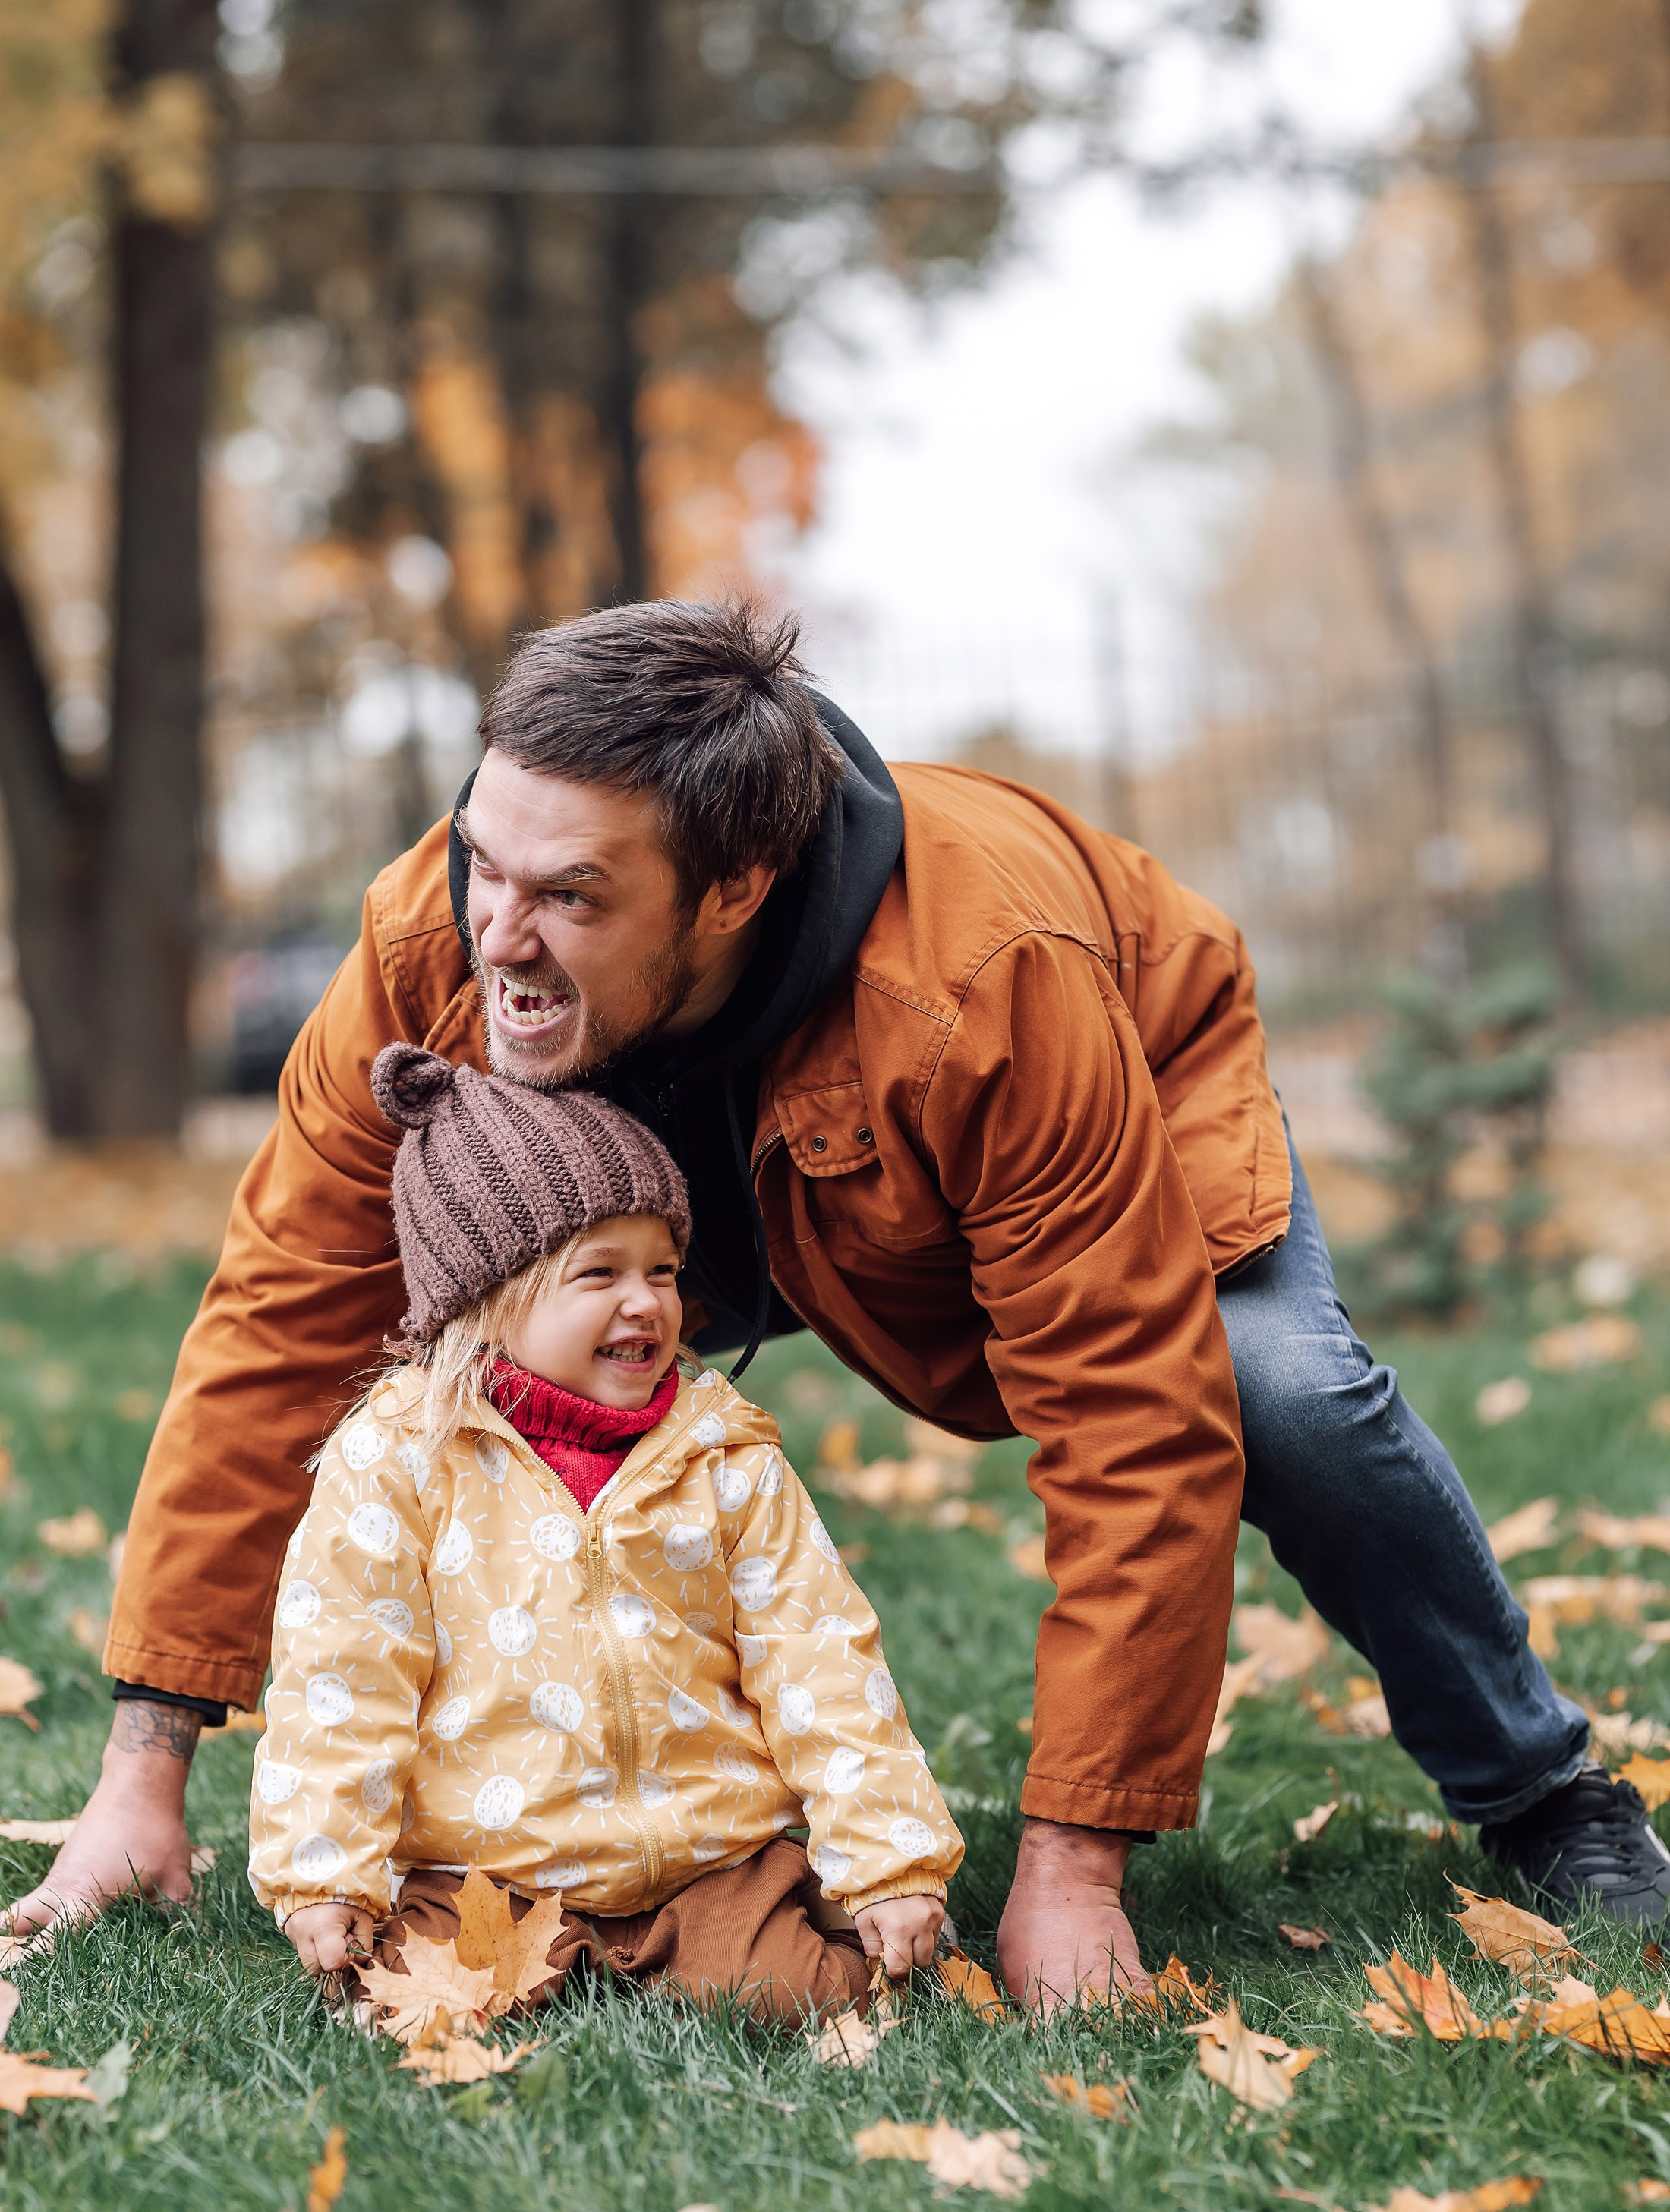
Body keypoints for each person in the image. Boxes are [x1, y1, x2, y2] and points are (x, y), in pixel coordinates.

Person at [8, 599, 1665, 2002]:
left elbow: (1125, 1419)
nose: (498, 931)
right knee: (418, 1382)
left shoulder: (986, 979)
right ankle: (567, 1785)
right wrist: (141, 1774)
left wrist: (1076, 1865)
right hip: (669, 1202)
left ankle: (1538, 1786)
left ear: (731, 887)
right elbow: (281, 1317)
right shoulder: (436, 936)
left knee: (1267, 1385)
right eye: (481, 857)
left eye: (572, 895)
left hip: (1048, 1133)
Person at [260, 1041, 960, 2021]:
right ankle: (443, 1950)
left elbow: (820, 1655)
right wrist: (324, 1869)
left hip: (705, 1854)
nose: (648, 1302)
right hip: (490, 1865)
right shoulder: (402, 1461)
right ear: (488, 1299)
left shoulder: (721, 1456)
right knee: (411, 2000)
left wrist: (889, 1857)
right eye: (601, 1274)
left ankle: (816, 1917)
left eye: (664, 1269)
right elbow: (342, 1670)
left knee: (795, 1995)